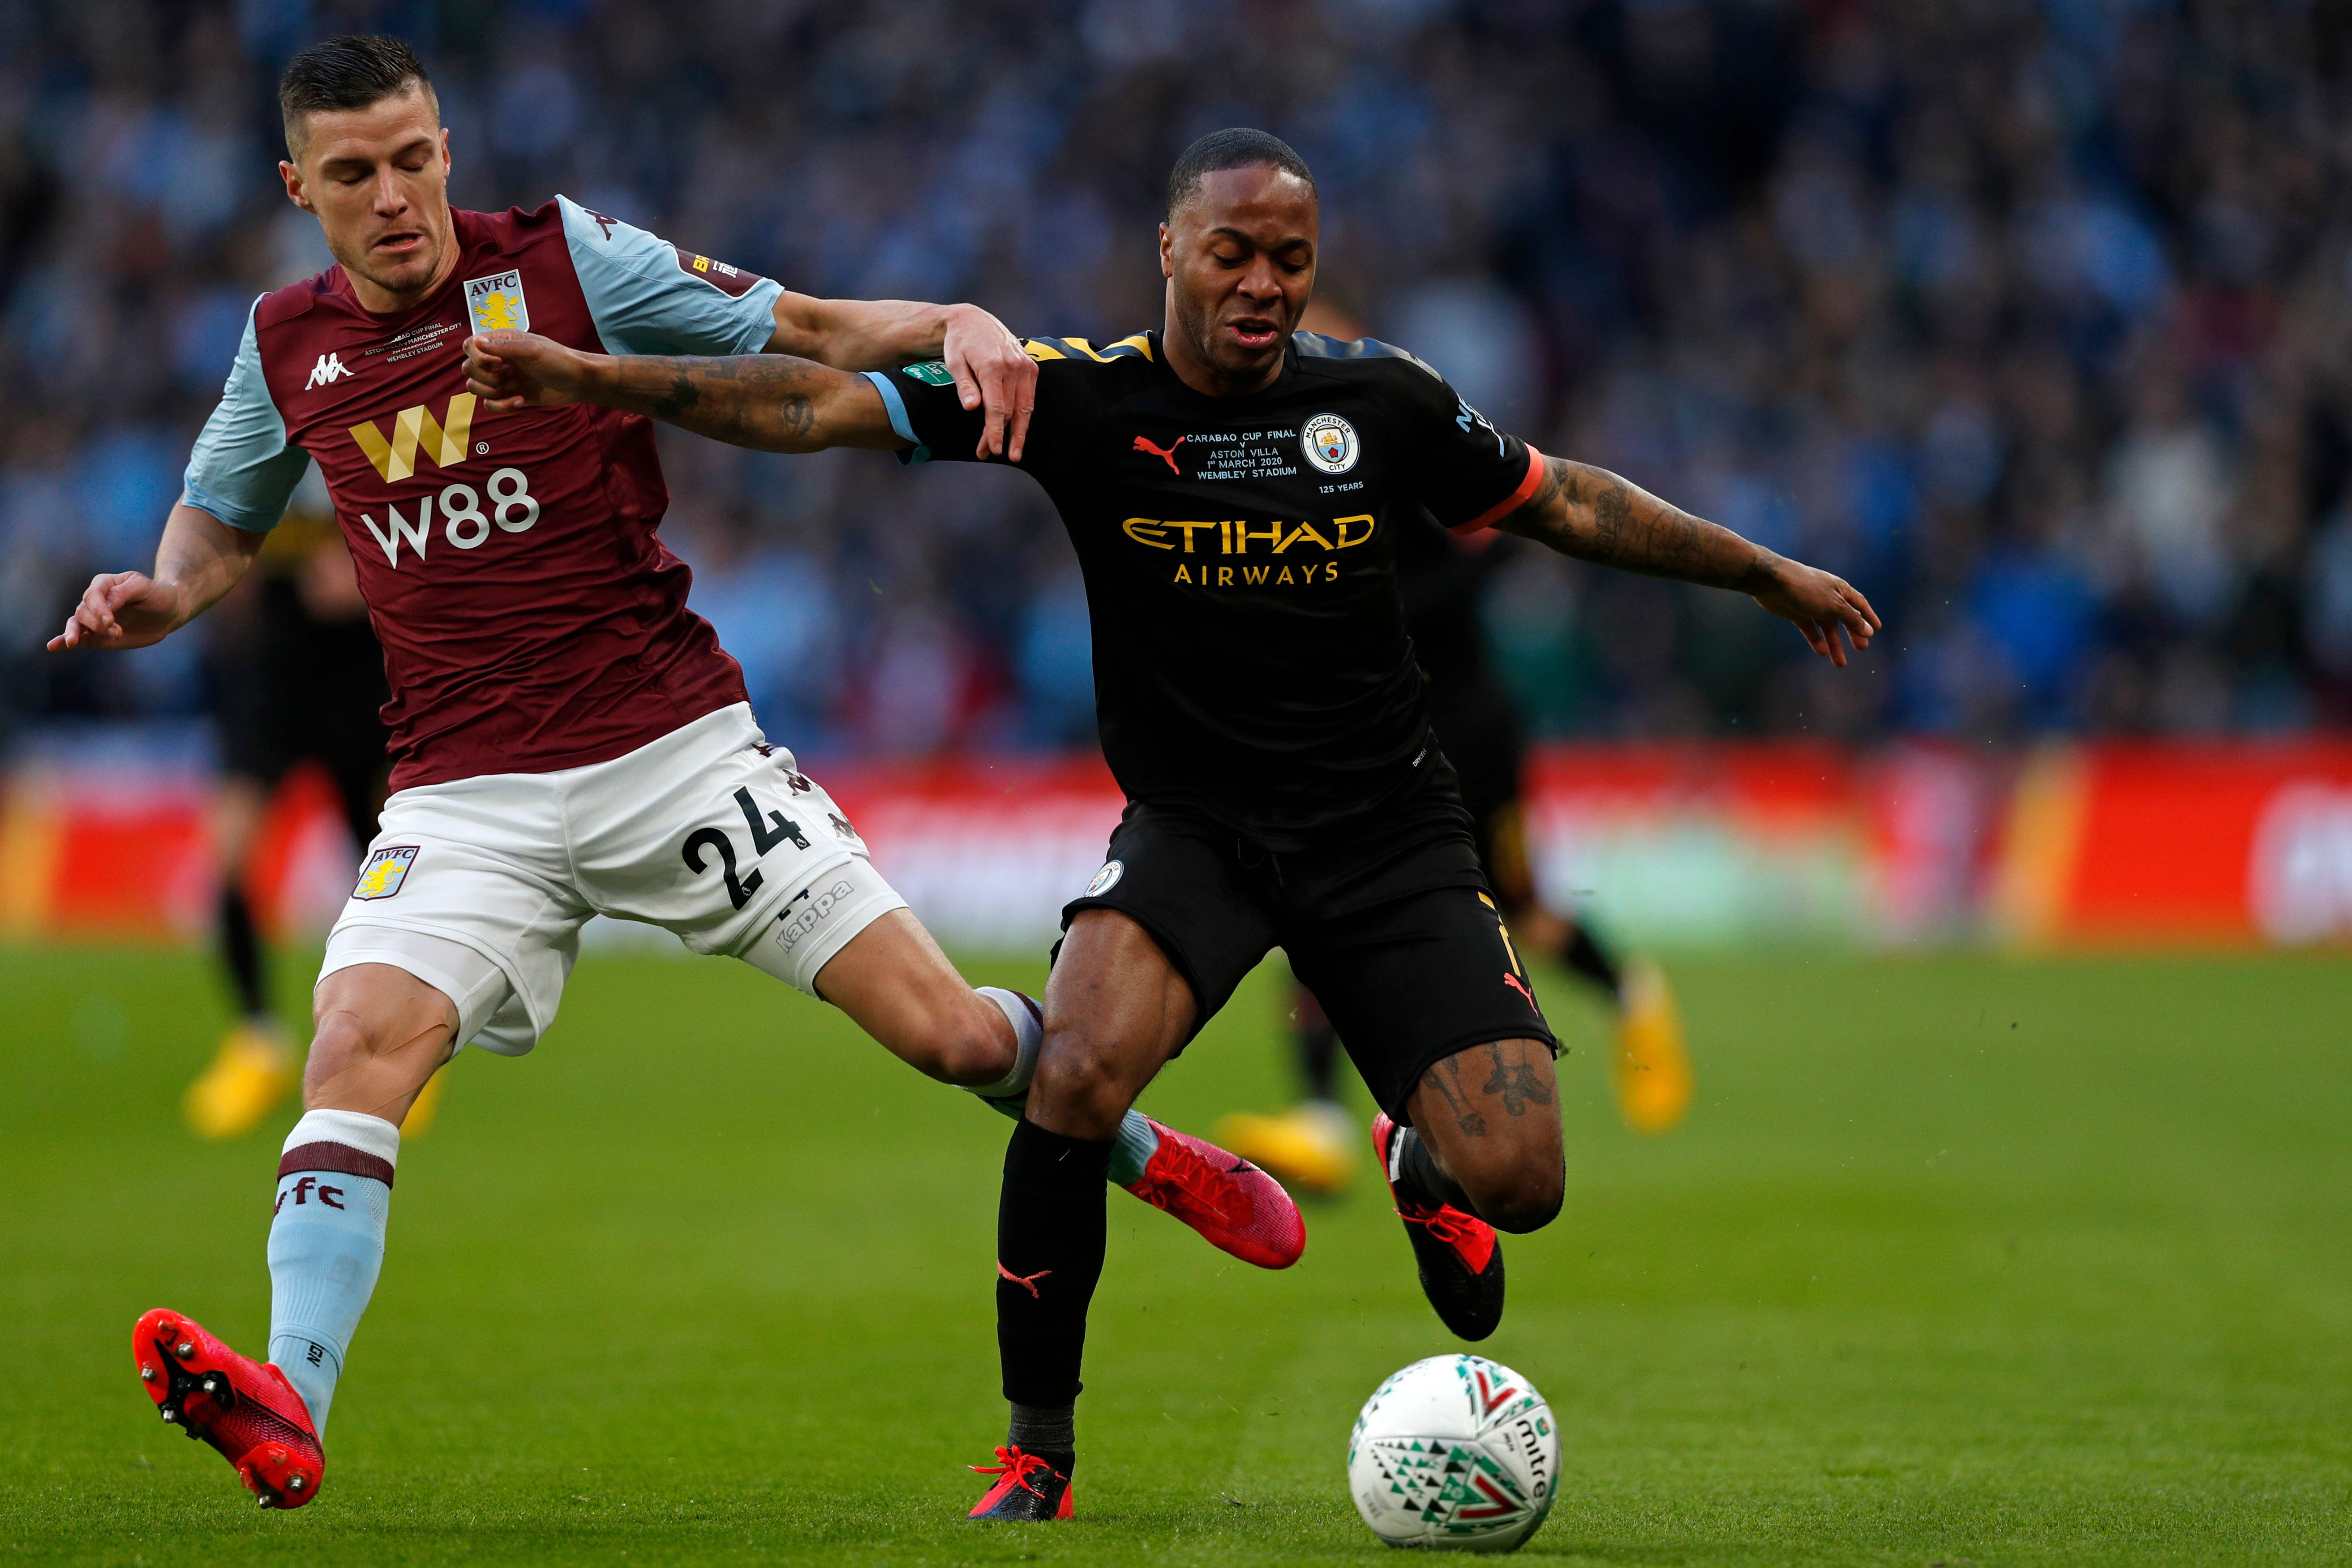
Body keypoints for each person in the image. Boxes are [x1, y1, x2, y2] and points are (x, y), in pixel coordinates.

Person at [459, 126, 1880, 1524]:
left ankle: (1423, 1159)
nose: (1263, 284)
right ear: (1170, 249)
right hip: (1197, 829)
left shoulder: (1381, 399)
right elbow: (810, 405)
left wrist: (1760, 572)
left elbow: (1559, 497)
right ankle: (1036, 1452)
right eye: (1232, 253)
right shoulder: (1072, 399)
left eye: (1291, 259)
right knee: (1074, 1074)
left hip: (1388, 826)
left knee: (1525, 1180)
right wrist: (591, 377)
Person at [52, 40, 1296, 1513]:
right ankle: (290, 1405)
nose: (393, 197)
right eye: (354, 173)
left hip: (674, 754)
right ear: (296, 188)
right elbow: (221, 517)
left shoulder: (563, 261)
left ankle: (1137, 1146)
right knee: (354, 1048)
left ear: (446, 149)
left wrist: (955, 319)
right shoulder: (285, 345)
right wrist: (163, 594)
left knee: (955, 1038)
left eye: (413, 159)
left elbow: (810, 324)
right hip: (463, 792)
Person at [1215, 493, 1692, 1198]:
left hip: (1474, 751)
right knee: (1315, 916)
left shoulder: (1401, 524)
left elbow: (1486, 547)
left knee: (1523, 913)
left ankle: (1631, 993)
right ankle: (1323, 1125)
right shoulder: (1339, 525)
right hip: (1382, 756)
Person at [183, 478, 446, 1140]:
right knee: (229, 855)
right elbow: (218, 526)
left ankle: (403, 1041)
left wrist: (370, 571)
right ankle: (258, 1043)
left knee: (386, 861)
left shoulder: (377, 431)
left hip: (360, 670)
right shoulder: (257, 436)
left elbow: (428, 526)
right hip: (274, 674)